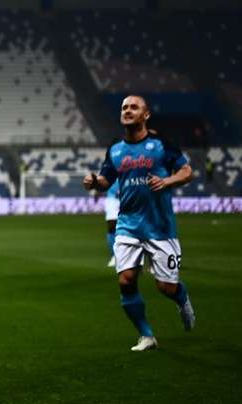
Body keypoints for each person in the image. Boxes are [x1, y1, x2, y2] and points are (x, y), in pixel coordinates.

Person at [83, 95, 196, 352]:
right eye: (124, 107)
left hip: (160, 227)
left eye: (134, 107)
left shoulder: (161, 145)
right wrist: (94, 181)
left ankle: (182, 298)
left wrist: (167, 182)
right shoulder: (115, 149)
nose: (128, 110)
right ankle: (146, 335)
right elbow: (106, 181)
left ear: (146, 115)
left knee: (165, 287)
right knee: (126, 280)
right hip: (128, 224)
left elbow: (186, 171)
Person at [104, 181, 120, 268]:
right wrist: (97, 190)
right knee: (112, 226)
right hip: (112, 198)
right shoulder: (111, 166)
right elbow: (104, 177)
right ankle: (114, 255)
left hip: (129, 195)